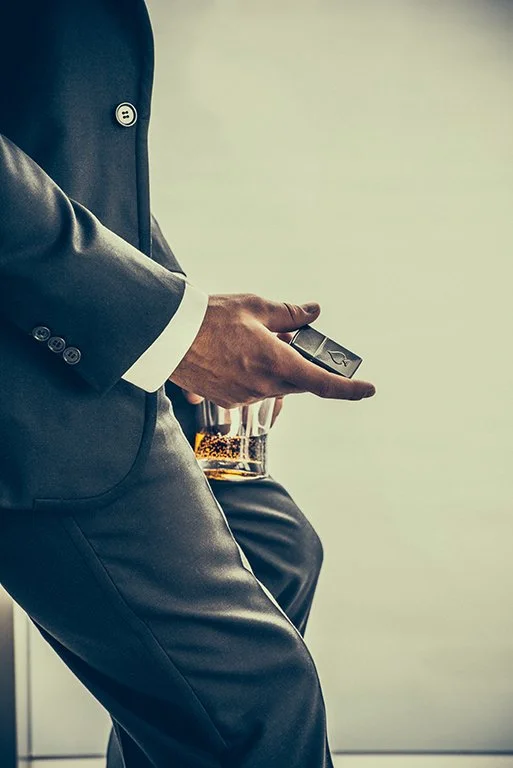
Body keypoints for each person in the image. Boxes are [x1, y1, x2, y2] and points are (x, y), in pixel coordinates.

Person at [0, 2, 375, 766]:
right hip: (28, 382)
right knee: (255, 703)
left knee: (276, 552)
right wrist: (166, 327)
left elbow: (62, 159)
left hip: (92, 330)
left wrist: (184, 322)